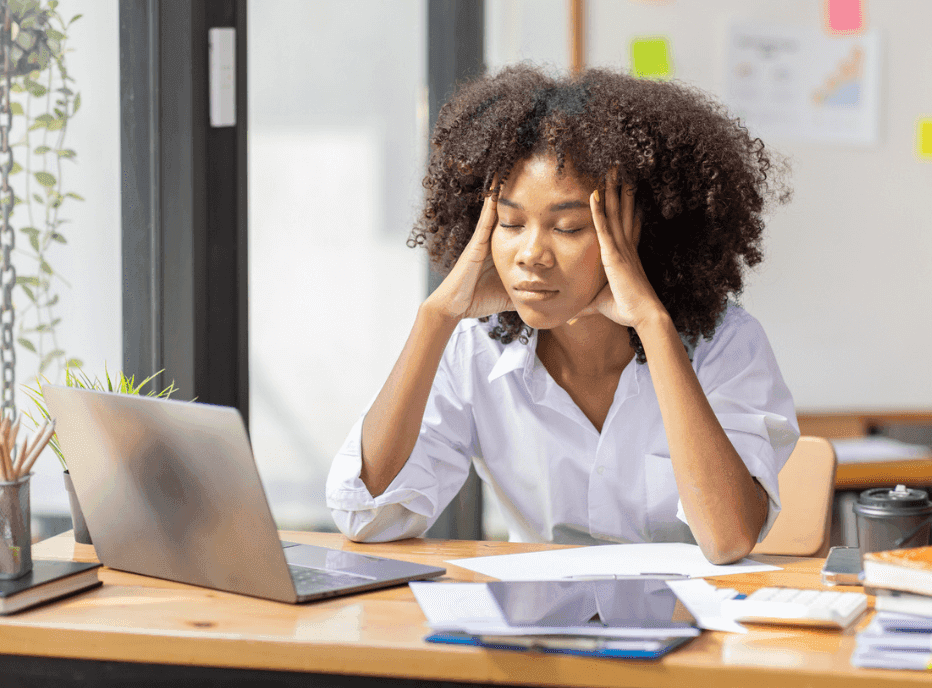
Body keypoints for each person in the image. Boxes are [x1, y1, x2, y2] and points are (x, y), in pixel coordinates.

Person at [325, 65, 797, 564]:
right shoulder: (476, 349)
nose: (531, 253)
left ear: (644, 233)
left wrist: (654, 327)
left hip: (692, 627)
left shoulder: (726, 343)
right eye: (510, 222)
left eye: (568, 228)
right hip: (537, 628)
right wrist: (436, 317)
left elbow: (728, 538)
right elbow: (367, 517)